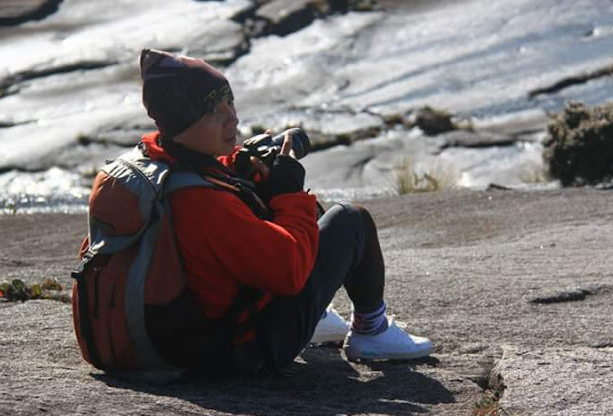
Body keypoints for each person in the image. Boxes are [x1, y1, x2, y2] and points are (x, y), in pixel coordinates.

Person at [138, 48, 432, 376]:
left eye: (230, 102)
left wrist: (237, 166)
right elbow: (290, 272)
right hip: (239, 352)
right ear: (182, 120)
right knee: (350, 219)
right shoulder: (204, 204)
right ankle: (372, 330)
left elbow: (207, 198)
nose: (232, 118)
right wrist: (288, 192)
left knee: (262, 194)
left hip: (183, 337)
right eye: (214, 111)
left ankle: (318, 320)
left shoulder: (152, 166)